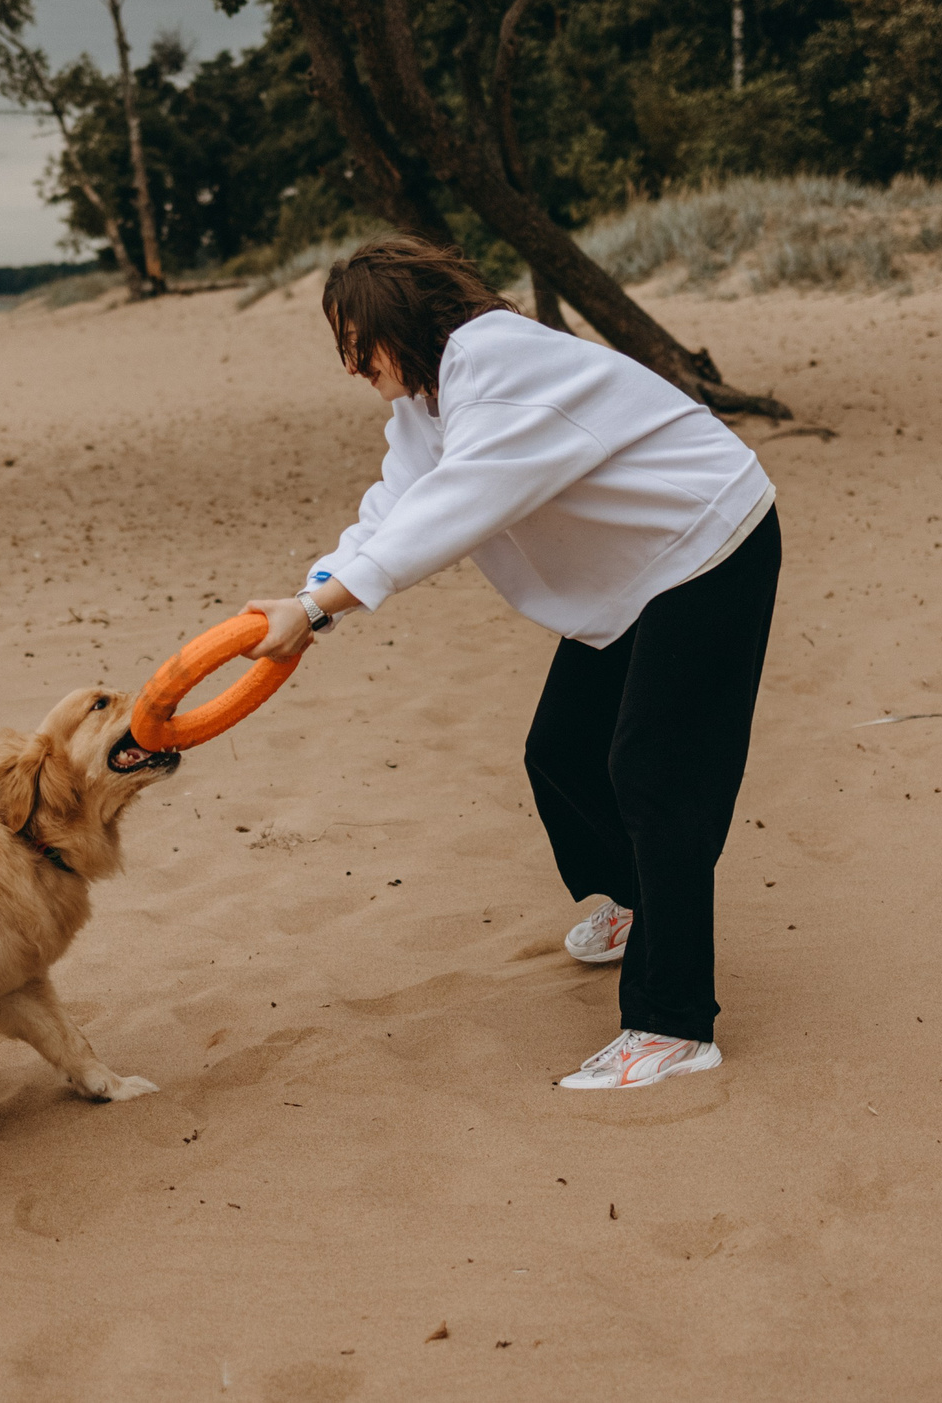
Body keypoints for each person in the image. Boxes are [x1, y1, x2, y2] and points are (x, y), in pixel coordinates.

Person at [243, 235, 781, 1090]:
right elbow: (398, 503)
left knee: (653, 772)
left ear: (401, 323)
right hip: (638, 571)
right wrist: (311, 594)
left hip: (709, 541)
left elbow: (460, 505)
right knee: (561, 750)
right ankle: (640, 905)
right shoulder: (425, 399)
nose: (349, 364)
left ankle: (675, 1025)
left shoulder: (495, 361)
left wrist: (320, 607)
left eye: (356, 341)